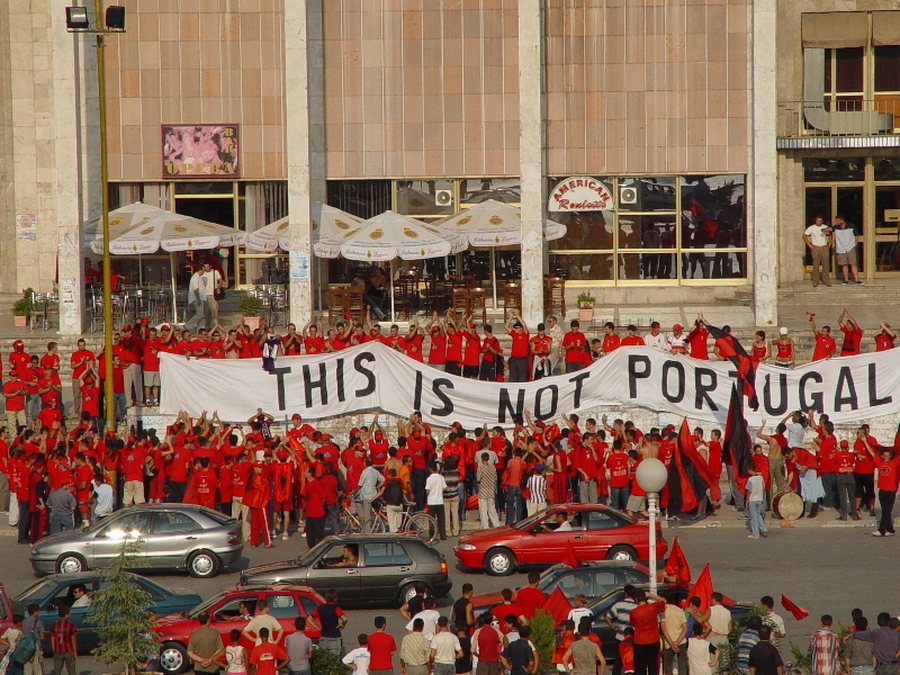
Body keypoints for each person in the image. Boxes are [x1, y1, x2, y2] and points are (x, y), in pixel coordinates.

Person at [629, 589, 665, 675]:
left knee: (640, 667)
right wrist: (650, 595)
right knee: (653, 666)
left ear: (636, 599)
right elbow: (663, 600)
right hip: (653, 640)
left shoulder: (633, 612)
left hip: (640, 642)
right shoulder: (653, 607)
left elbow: (633, 624)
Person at [660, 590, 688, 675]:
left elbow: (663, 628)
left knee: (668, 665)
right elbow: (685, 628)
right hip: (682, 641)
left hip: (669, 643)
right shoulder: (679, 610)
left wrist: (672, 643)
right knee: (682, 664)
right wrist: (677, 642)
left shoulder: (663, 610)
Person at [832, 216, 863, 285]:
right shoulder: (835, 227)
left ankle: (857, 279)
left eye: (837, 220)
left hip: (850, 248)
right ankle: (846, 280)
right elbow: (829, 230)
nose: (836, 222)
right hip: (841, 249)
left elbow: (857, 235)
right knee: (844, 264)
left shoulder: (851, 226)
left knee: (853, 264)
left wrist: (855, 244)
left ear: (842, 220)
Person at [803, 216, 832, 287]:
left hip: (824, 247)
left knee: (826, 265)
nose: (819, 222)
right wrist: (809, 244)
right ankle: (815, 281)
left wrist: (830, 243)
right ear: (815, 221)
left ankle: (826, 280)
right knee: (816, 265)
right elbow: (804, 235)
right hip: (815, 247)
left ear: (822, 221)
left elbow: (830, 234)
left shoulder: (825, 227)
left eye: (820, 221)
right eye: (818, 221)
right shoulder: (811, 228)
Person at [49, 605, 77, 675]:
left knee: (57, 671)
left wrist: (54, 650)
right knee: (72, 671)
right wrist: (75, 652)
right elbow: (73, 639)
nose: (70, 614)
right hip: (68, 650)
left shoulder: (54, 625)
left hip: (58, 651)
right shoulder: (71, 625)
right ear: (66, 615)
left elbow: (52, 639)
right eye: (69, 613)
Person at [425, 462, 448, 540]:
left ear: (430, 469)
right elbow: (445, 488)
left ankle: (432, 535)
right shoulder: (441, 477)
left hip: (431, 502)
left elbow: (427, 490)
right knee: (441, 519)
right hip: (440, 501)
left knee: (431, 520)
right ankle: (443, 535)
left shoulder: (429, 478)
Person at [745, 468, 768, 539]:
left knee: (753, 517)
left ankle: (755, 534)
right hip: (760, 499)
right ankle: (763, 529)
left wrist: (747, 500)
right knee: (759, 515)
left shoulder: (750, 479)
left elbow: (749, 491)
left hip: (753, 499)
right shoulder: (761, 478)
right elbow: (763, 488)